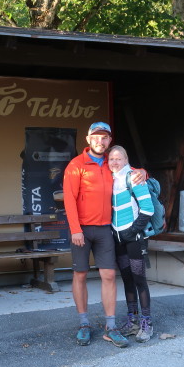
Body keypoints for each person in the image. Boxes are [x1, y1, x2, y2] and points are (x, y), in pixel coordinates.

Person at [63, 122, 145, 348]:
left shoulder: (112, 163)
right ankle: (84, 324)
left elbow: (131, 171)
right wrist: (75, 229)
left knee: (108, 275)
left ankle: (110, 326)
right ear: (88, 139)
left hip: (105, 229)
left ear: (109, 141)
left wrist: (142, 172)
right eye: (96, 137)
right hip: (82, 230)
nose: (101, 141)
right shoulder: (76, 165)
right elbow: (69, 199)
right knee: (80, 275)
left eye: (105, 138)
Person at [108, 145, 155, 343]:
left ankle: (147, 323)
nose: (115, 162)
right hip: (118, 238)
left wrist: (133, 230)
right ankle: (132, 320)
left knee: (139, 280)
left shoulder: (134, 177)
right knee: (127, 279)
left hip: (134, 238)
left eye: (119, 158)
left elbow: (148, 209)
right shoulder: (111, 180)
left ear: (126, 160)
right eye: (111, 159)